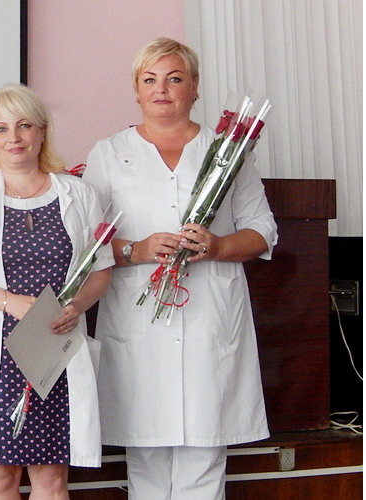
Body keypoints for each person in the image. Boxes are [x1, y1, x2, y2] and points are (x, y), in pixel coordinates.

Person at [81, 37, 278, 500]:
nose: (162, 89)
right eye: (150, 79)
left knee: (205, 457)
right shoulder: (109, 152)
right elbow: (87, 243)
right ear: (136, 89)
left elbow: (263, 231)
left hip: (209, 316)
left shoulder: (228, 150)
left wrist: (218, 245)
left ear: (194, 87)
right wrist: (137, 250)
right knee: (146, 458)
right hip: (139, 321)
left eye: (174, 78)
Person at [0, 84, 114, 499]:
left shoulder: (78, 193)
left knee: (51, 478)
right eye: (1, 129)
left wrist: (76, 306)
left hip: (54, 349)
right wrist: (11, 303)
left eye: (24, 126)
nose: (13, 138)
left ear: (42, 131)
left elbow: (101, 269)